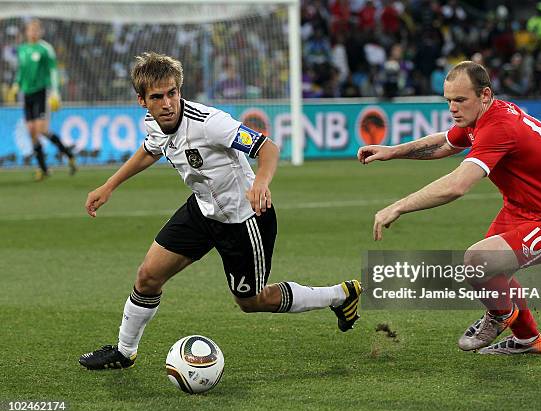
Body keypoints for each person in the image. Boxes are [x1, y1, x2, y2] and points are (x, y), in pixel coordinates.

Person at [79, 52, 361, 370]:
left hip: (245, 218)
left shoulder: (211, 124)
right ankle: (124, 351)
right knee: (147, 277)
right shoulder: (154, 122)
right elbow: (150, 149)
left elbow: (267, 147)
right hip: (202, 210)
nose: (168, 103)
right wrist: (110, 185)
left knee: (252, 301)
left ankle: (340, 295)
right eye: (158, 97)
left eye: (172, 93)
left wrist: (262, 183)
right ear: (142, 101)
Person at [357, 61, 541, 355]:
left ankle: (500, 315)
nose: (453, 108)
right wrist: (393, 152)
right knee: (491, 271)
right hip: (520, 209)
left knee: (479, 262)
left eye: (460, 100)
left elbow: (457, 185)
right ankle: (528, 340)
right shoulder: (482, 117)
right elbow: (444, 143)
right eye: (449, 100)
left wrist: (399, 206)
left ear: (485, 95)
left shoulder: (499, 127)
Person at [13, 19, 76, 180]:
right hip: (27, 94)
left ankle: (68, 154)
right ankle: (44, 169)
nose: (33, 32)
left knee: (41, 129)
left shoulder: (45, 49)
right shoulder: (22, 49)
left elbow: (53, 70)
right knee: (31, 131)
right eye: (30, 29)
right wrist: (15, 84)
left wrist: (55, 92)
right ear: (26, 32)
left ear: (40, 32)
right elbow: (21, 70)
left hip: (42, 92)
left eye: (36, 29)